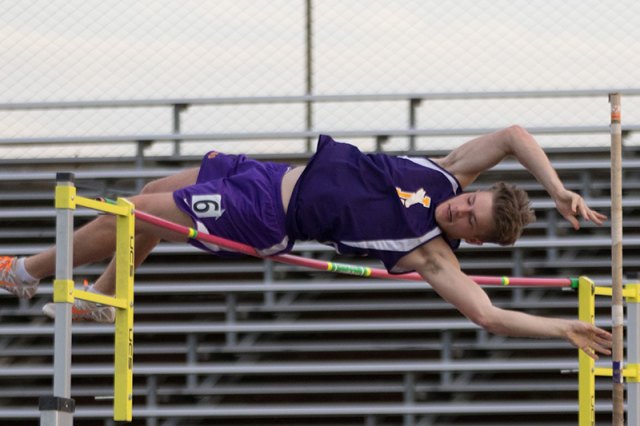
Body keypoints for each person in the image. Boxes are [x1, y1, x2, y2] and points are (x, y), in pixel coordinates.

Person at [0, 125, 612, 359]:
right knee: (155, 191)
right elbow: (512, 135)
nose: (459, 207)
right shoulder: (446, 171)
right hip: (268, 174)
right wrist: (557, 190)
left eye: (467, 220)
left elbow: (487, 315)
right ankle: (98, 299)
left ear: (470, 241)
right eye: (470, 201)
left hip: (263, 214)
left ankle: (24, 272)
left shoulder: (428, 251)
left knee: (129, 214)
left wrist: (561, 328)